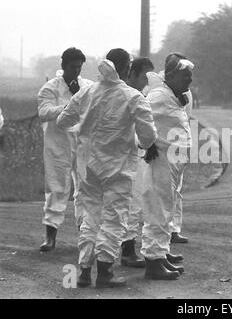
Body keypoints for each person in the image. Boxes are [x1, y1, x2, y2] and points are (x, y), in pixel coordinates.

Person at [57, 48, 158, 288]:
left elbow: (63, 121)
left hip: (88, 167)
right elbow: (148, 135)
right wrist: (146, 144)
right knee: (114, 218)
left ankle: (83, 272)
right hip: (118, 168)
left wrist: (84, 130)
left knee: (90, 216)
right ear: (124, 68)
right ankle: (104, 272)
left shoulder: (86, 92)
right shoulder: (132, 96)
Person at [139, 54, 195, 280]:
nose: (189, 80)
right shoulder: (158, 96)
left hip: (172, 162)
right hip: (161, 160)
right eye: (185, 76)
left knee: (166, 208)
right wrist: (147, 143)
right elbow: (139, 118)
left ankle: (160, 254)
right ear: (170, 76)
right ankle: (153, 261)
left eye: (191, 76)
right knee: (158, 208)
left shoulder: (173, 94)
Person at [37, 48, 93, 252]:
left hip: (83, 141)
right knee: (57, 187)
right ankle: (50, 235)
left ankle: (85, 231)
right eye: (72, 67)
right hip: (58, 142)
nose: (76, 71)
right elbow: (43, 112)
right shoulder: (50, 88)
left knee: (86, 186)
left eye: (79, 67)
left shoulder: (87, 86)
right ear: (63, 66)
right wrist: (69, 107)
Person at [120, 57, 156, 269]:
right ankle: (126, 250)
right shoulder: (126, 95)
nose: (147, 81)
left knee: (134, 202)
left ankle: (125, 248)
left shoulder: (141, 96)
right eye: (144, 76)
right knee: (129, 202)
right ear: (132, 73)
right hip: (123, 155)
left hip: (134, 154)